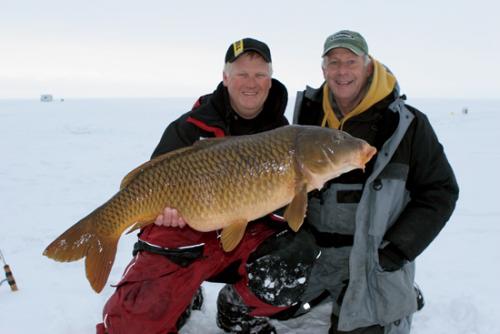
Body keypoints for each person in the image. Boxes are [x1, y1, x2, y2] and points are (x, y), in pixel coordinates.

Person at [96, 38, 319, 334]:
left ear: (270, 80)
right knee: (133, 327)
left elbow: (285, 219)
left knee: (297, 251)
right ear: (226, 78)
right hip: (186, 233)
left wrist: (299, 188)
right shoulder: (189, 127)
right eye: (242, 74)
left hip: (246, 237)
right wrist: (162, 215)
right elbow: (148, 187)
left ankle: (239, 307)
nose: (250, 83)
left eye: (260, 74)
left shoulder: (284, 136)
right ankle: (181, 293)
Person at [279, 30, 458, 333]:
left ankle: (396, 296)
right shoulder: (305, 117)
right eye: (333, 62)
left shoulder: (408, 125)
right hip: (317, 256)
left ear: (368, 66)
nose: (342, 71)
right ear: (323, 70)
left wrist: (397, 251)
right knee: (254, 296)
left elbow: (440, 191)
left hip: (373, 260)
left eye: (351, 61)